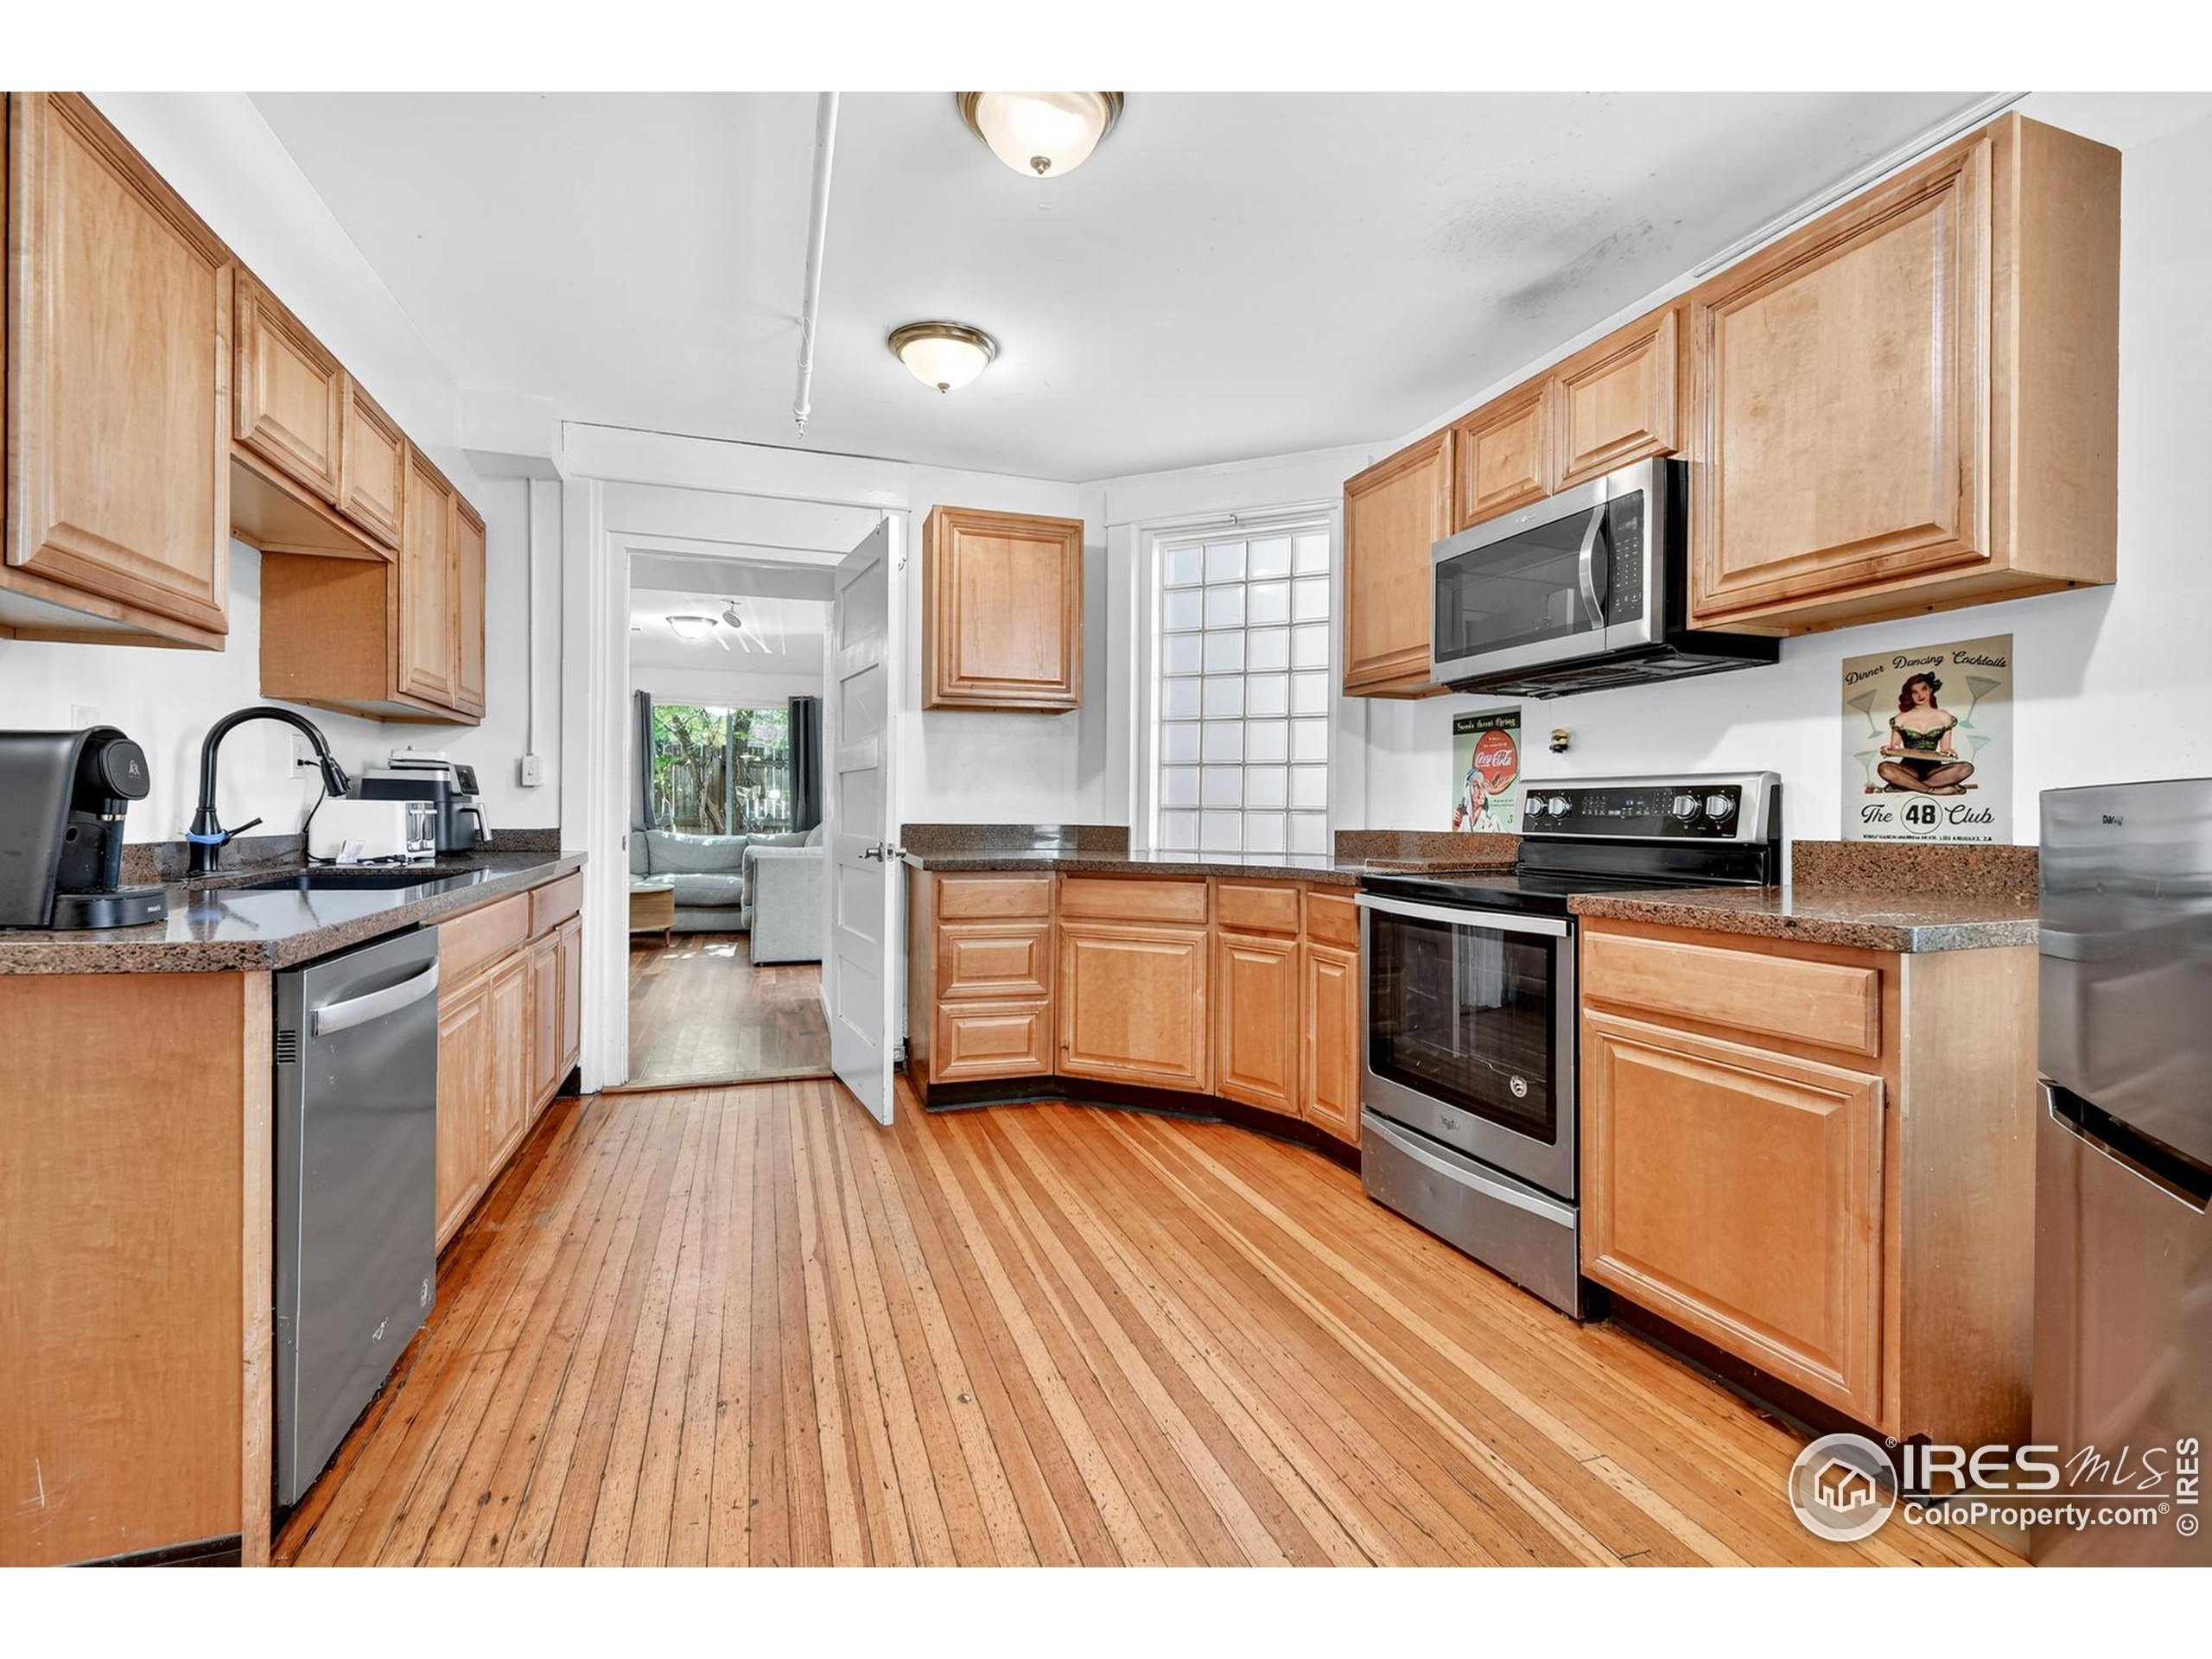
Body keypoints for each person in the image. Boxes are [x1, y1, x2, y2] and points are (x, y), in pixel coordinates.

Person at [1876, 671, 1974, 795]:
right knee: (1884, 768)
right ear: (1910, 695)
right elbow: (1895, 745)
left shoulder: (1944, 717)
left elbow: (1945, 747)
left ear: (1931, 690)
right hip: (1909, 769)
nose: (1920, 695)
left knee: (1967, 768)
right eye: (1915, 692)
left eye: (1924, 689)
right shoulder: (1900, 719)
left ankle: (1905, 785)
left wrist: (1948, 751)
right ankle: (1932, 789)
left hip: (1934, 770)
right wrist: (1889, 748)